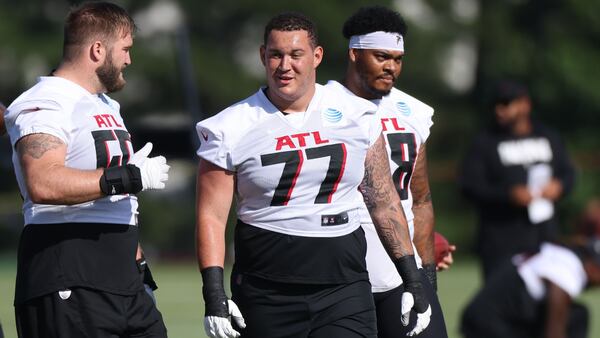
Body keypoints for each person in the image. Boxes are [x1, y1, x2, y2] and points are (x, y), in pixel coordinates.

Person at [195, 11, 432, 338]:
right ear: (263, 56)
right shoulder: (230, 126)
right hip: (266, 287)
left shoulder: (356, 113)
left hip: (343, 285)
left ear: (316, 56)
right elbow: (211, 216)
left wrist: (412, 279)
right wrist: (214, 293)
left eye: (296, 55)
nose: (284, 65)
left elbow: (383, 200)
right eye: (276, 55)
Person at [3, 2, 170, 337]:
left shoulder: (105, 104)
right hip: (68, 270)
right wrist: (130, 177)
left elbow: (116, 206)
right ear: (97, 50)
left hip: (120, 276)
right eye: (124, 49)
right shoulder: (46, 101)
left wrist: (137, 267)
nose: (128, 60)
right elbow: (42, 182)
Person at [325, 6, 450, 337]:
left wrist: (426, 276)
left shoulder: (415, 112)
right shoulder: (322, 106)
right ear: (354, 52)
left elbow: (419, 198)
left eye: (397, 58)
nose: (391, 67)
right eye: (381, 56)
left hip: (401, 274)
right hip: (341, 277)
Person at [459, 80, 576, 281]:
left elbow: (569, 173)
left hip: (543, 237)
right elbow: (469, 185)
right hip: (500, 242)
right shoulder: (485, 142)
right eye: (496, 104)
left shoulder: (547, 136)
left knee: (545, 304)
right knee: (502, 304)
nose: (499, 110)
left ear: (524, 104)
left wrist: (560, 186)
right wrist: (507, 195)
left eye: (506, 103)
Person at [461, 237, 600, 338]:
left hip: (488, 317)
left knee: (578, 313)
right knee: (577, 316)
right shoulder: (570, 268)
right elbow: (554, 328)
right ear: (593, 267)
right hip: (489, 324)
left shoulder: (559, 254)